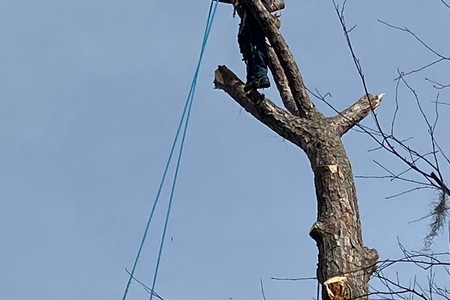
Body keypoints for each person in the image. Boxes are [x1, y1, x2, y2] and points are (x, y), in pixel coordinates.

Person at [219, 0, 285, 92]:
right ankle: (252, 77)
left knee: (256, 41)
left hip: (258, 6)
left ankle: (260, 75)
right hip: (250, 8)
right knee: (244, 39)